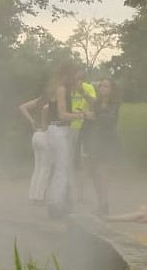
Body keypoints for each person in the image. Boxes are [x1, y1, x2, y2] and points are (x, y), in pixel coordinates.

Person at [44, 60, 94, 219]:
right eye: (76, 75)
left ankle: (57, 203)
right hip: (59, 129)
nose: (78, 79)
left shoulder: (58, 87)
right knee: (62, 169)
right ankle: (57, 206)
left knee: (61, 168)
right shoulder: (61, 89)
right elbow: (63, 115)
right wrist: (83, 115)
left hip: (57, 130)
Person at [83, 78, 120, 216]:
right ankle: (101, 202)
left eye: (105, 86)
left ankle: (104, 203)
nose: (102, 88)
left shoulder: (114, 104)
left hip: (107, 142)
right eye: (101, 86)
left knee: (102, 172)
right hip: (94, 141)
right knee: (94, 174)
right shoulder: (96, 103)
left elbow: (110, 119)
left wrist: (95, 117)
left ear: (111, 90)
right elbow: (89, 120)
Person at [70, 69, 96, 204]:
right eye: (75, 78)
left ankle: (80, 194)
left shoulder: (89, 88)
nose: (77, 81)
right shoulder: (67, 89)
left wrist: (83, 92)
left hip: (83, 129)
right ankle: (67, 191)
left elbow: (94, 104)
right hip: (68, 128)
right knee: (68, 161)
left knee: (81, 162)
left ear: (83, 79)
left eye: (80, 78)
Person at [18, 94, 51, 203]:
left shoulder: (40, 100)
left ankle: (33, 195)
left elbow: (22, 107)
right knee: (45, 168)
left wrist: (31, 120)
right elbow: (46, 111)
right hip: (45, 134)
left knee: (37, 168)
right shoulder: (50, 103)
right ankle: (40, 196)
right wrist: (45, 124)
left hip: (36, 134)